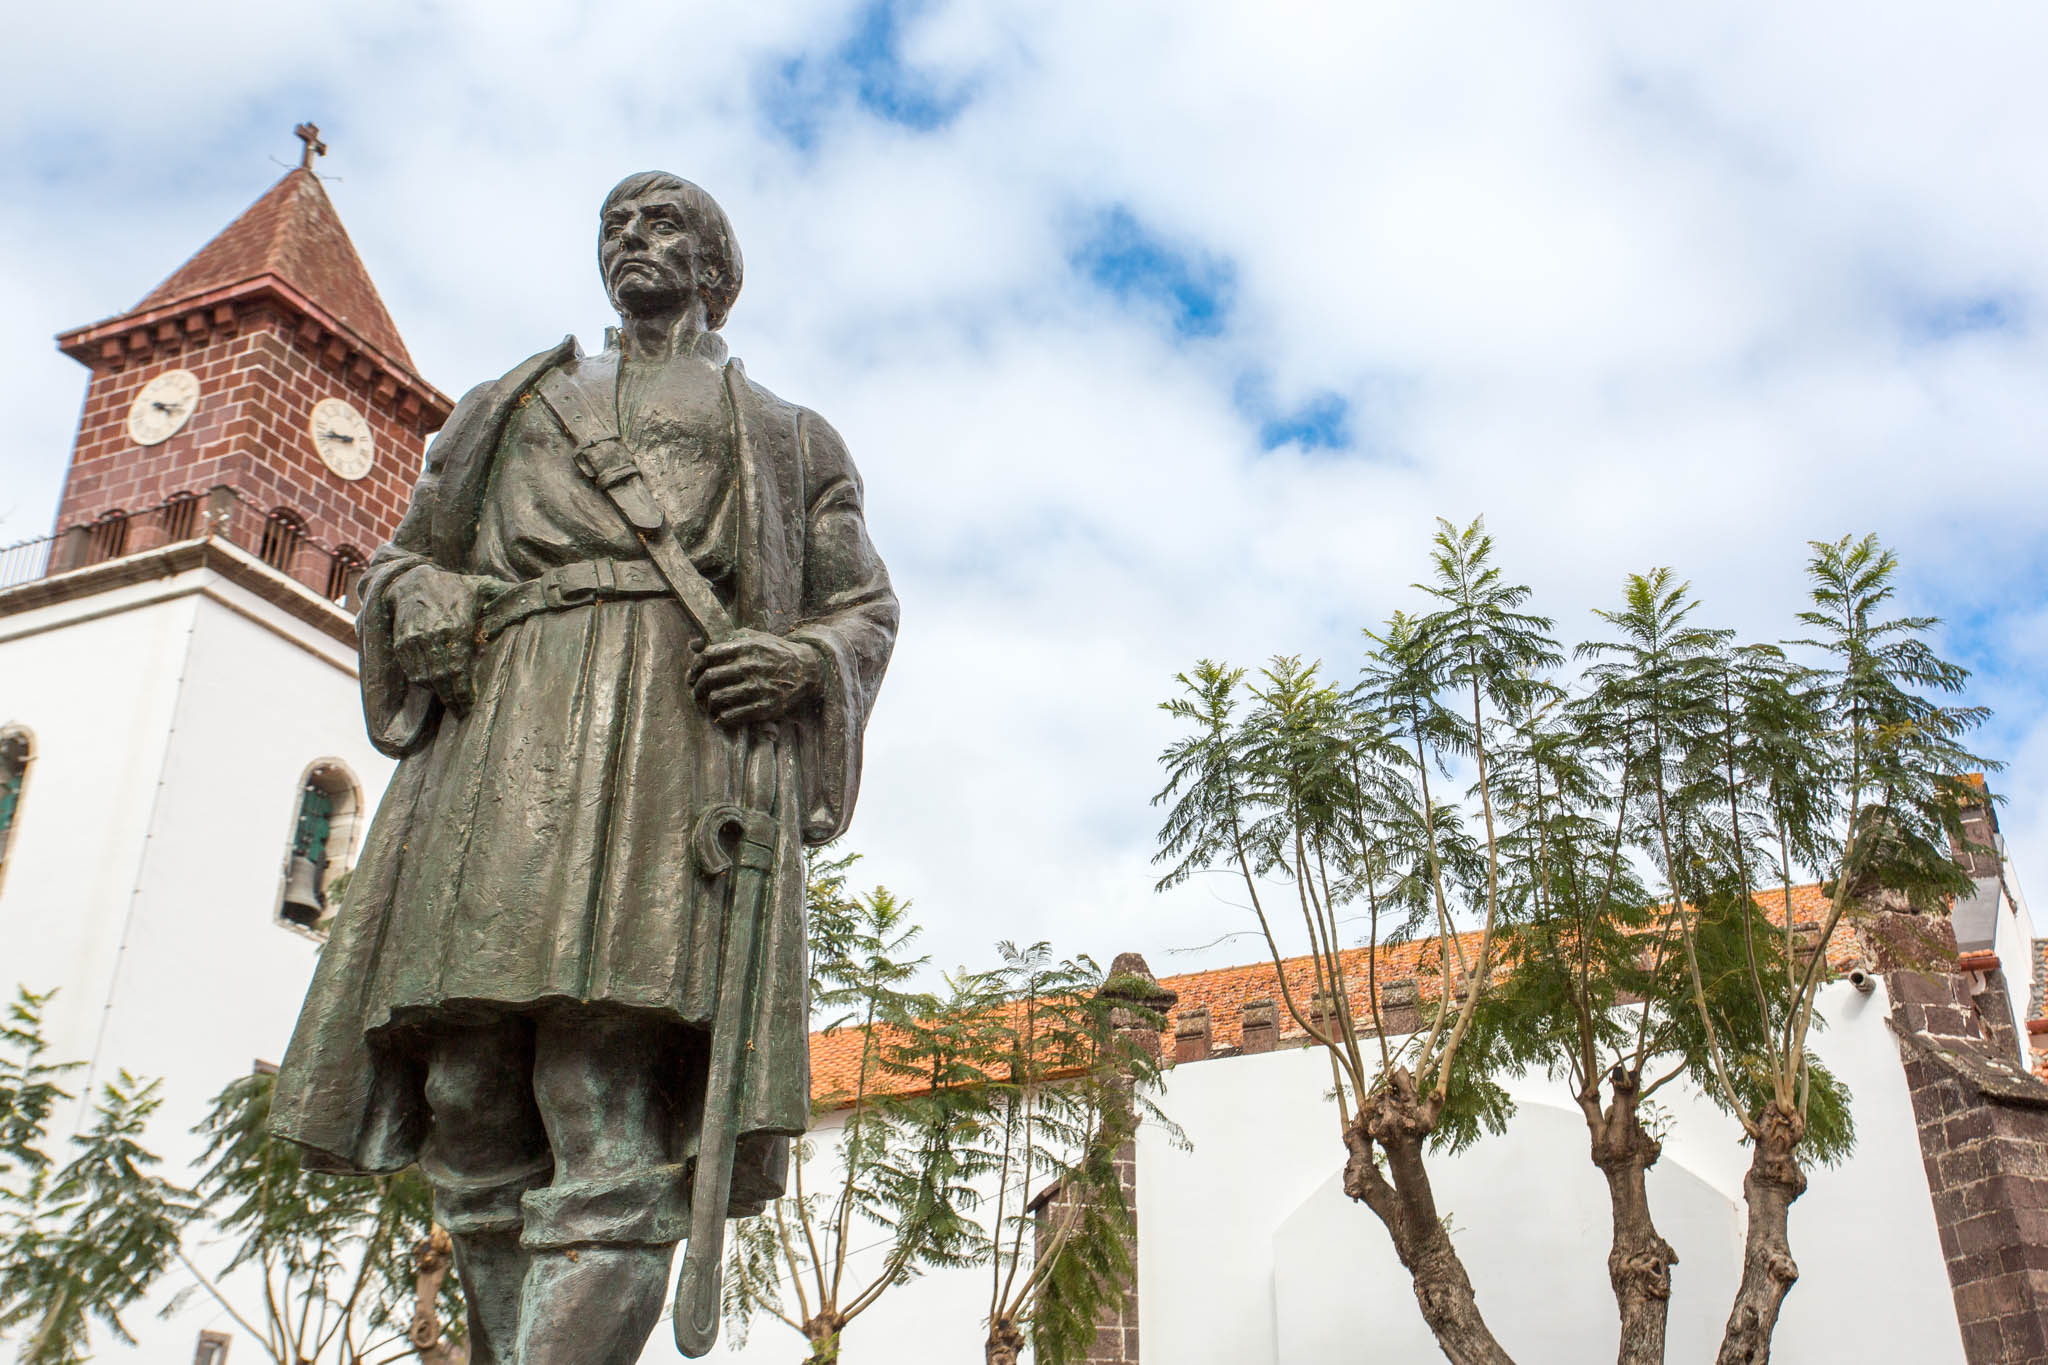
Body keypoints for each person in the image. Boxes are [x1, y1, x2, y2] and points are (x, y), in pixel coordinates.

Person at [271, 171, 897, 1365]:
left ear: (715, 265)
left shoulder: (786, 434)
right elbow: (399, 566)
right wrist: (430, 600)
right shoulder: (513, 404)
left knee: (595, 1080)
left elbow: (860, 607)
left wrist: (802, 662)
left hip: (673, 744)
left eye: (661, 223)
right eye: (613, 224)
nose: (631, 240)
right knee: (464, 1090)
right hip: (505, 739)